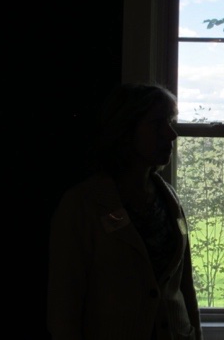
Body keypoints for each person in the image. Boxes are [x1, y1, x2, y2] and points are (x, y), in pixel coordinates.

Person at [47, 82, 203, 340]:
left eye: (171, 121)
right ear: (125, 131)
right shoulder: (82, 205)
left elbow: (185, 286)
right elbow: (64, 307)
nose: (171, 134)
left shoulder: (169, 199)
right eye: (157, 124)